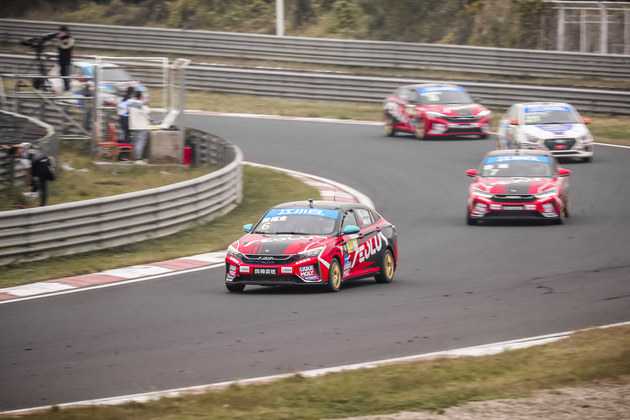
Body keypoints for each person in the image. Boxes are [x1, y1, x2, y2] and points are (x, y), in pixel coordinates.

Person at [128, 90, 151, 163]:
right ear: (141, 97)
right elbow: (148, 111)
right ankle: (138, 159)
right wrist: (146, 103)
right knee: (140, 142)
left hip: (133, 126)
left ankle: (134, 158)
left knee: (134, 142)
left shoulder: (131, 104)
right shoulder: (142, 105)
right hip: (141, 126)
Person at [56, 25, 75, 92]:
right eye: (60, 31)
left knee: (66, 74)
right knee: (62, 74)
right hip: (61, 59)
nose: (61, 33)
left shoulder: (70, 38)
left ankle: (67, 88)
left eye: (62, 31)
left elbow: (66, 47)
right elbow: (58, 47)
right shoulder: (59, 38)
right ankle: (65, 88)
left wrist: (61, 43)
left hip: (67, 59)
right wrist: (60, 41)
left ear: (66, 32)